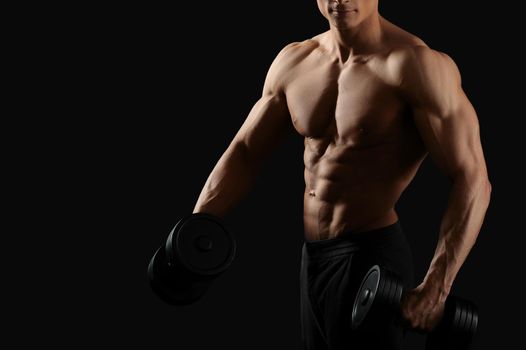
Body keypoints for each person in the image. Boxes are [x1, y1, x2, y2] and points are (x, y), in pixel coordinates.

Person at [192, 0, 492, 349]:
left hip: (371, 261)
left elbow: (473, 178)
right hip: (313, 260)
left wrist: (437, 286)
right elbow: (244, 152)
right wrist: (197, 229)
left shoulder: (414, 65)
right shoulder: (295, 61)